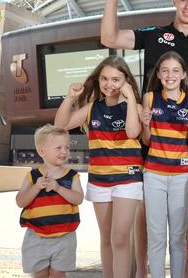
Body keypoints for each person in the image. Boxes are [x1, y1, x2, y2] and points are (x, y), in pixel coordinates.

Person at [101, 0, 188, 277]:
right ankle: (144, 270)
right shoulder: (155, 35)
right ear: (174, 1)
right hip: (151, 129)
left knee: (180, 216)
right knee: (148, 213)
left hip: (184, 134)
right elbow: (110, 38)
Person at [54, 55, 144, 278]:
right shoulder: (92, 107)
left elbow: (133, 132)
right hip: (99, 180)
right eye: (104, 78)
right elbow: (60, 126)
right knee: (106, 237)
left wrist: (131, 98)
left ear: (126, 81)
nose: (109, 84)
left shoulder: (135, 106)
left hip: (128, 179)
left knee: (120, 237)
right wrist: (70, 98)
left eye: (116, 79)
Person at [140, 51, 188, 278]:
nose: (170, 75)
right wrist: (146, 126)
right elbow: (147, 141)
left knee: (178, 235)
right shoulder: (149, 98)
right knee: (156, 235)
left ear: (183, 74)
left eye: (175, 70)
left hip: (181, 176)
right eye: (165, 70)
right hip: (154, 174)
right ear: (158, 74)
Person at [16, 124, 84, 278]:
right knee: (39, 274)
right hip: (37, 237)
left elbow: (78, 198)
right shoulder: (32, 176)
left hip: (65, 236)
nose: (64, 151)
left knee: (58, 274)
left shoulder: (72, 176)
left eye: (67, 147)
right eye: (58, 148)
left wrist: (59, 188)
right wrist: (35, 188)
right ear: (42, 152)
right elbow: (20, 201)